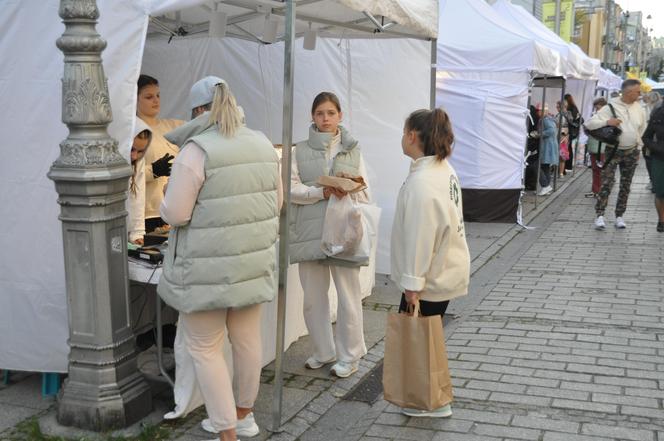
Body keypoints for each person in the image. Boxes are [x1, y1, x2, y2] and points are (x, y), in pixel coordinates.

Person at [157, 80, 281, 441]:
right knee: (246, 339)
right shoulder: (261, 142)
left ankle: (226, 432)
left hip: (205, 269)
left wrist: (167, 194)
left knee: (204, 347)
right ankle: (244, 416)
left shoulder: (196, 150)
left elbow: (176, 213)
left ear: (198, 111)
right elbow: (277, 204)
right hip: (251, 263)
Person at [391, 107, 470, 418]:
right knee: (428, 340)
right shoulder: (441, 169)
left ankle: (431, 402)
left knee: (420, 342)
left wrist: (412, 285)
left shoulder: (423, 182)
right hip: (443, 269)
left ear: (412, 136)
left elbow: (420, 238)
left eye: (403, 131)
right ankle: (431, 398)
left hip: (429, 276)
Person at [290, 91, 370, 379]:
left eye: (331, 113)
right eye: (320, 113)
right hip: (310, 229)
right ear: (312, 116)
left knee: (349, 295)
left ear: (340, 116)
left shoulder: (353, 149)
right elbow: (289, 188)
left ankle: (351, 355)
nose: (325, 118)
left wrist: (352, 190)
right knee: (313, 297)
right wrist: (320, 192)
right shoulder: (299, 150)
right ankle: (323, 350)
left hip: (344, 228)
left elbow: (365, 189)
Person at [585, 79, 646, 230]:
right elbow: (590, 124)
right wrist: (607, 121)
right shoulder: (610, 106)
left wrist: (639, 147)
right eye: (638, 92)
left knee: (626, 185)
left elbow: (642, 129)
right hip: (613, 150)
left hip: (631, 151)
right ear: (628, 92)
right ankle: (600, 215)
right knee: (607, 182)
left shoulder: (640, 108)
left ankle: (619, 216)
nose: (640, 94)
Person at [136, 74, 184, 233]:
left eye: (158, 95)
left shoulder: (172, 126)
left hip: (174, 210)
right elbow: (123, 174)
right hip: (147, 215)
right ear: (135, 100)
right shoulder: (132, 132)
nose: (156, 100)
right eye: (149, 97)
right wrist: (153, 171)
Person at [127, 117, 152, 245]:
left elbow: (138, 197)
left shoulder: (139, 161)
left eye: (141, 151)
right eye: (131, 149)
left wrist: (138, 233)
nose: (134, 156)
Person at [642, 98, 664, 232]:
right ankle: (661, 221)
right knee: (660, 192)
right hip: (660, 158)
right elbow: (646, 137)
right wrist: (657, 148)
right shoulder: (658, 114)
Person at [585, 97, 608, 198]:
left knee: (600, 170)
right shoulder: (597, 116)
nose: (596, 110)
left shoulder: (605, 118)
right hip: (594, 147)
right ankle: (596, 190)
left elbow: (589, 126)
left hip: (601, 148)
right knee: (595, 169)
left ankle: (600, 190)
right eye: (596, 108)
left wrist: (589, 129)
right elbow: (588, 126)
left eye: (598, 107)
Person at [641, 91, 661, 190]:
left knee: (650, 161)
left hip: (652, 141)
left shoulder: (655, 109)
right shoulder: (645, 108)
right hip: (652, 140)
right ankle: (654, 182)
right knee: (650, 160)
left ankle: (653, 182)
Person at [537, 104, 558, 196]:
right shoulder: (549, 118)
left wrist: (539, 134)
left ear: (542, 111)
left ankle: (545, 186)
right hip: (550, 145)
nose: (537, 112)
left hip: (547, 146)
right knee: (545, 167)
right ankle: (546, 187)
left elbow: (551, 131)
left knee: (539, 166)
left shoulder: (545, 120)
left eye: (538, 110)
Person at [524, 105, 540, 191]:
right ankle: (531, 183)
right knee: (532, 163)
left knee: (529, 163)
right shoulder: (533, 111)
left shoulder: (528, 111)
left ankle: (529, 183)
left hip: (530, 140)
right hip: (533, 141)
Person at [564, 93, 581, 171]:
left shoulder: (571, 109)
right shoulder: (574, 108)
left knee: (568, 148)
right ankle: (567, 166)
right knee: (568, 147)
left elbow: (571, 120)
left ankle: (568, 166)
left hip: (570, 131)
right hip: (571, 131)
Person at [555, 100, 570, 178]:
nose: (556, 108)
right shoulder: (567, 114)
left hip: (562, 137)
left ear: (562, 107)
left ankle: (560, 173)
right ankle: (560, 172)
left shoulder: (563, 115)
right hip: (564, 137)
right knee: (562, 155)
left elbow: (560, 125)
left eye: (558, 106)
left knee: (561, 155)